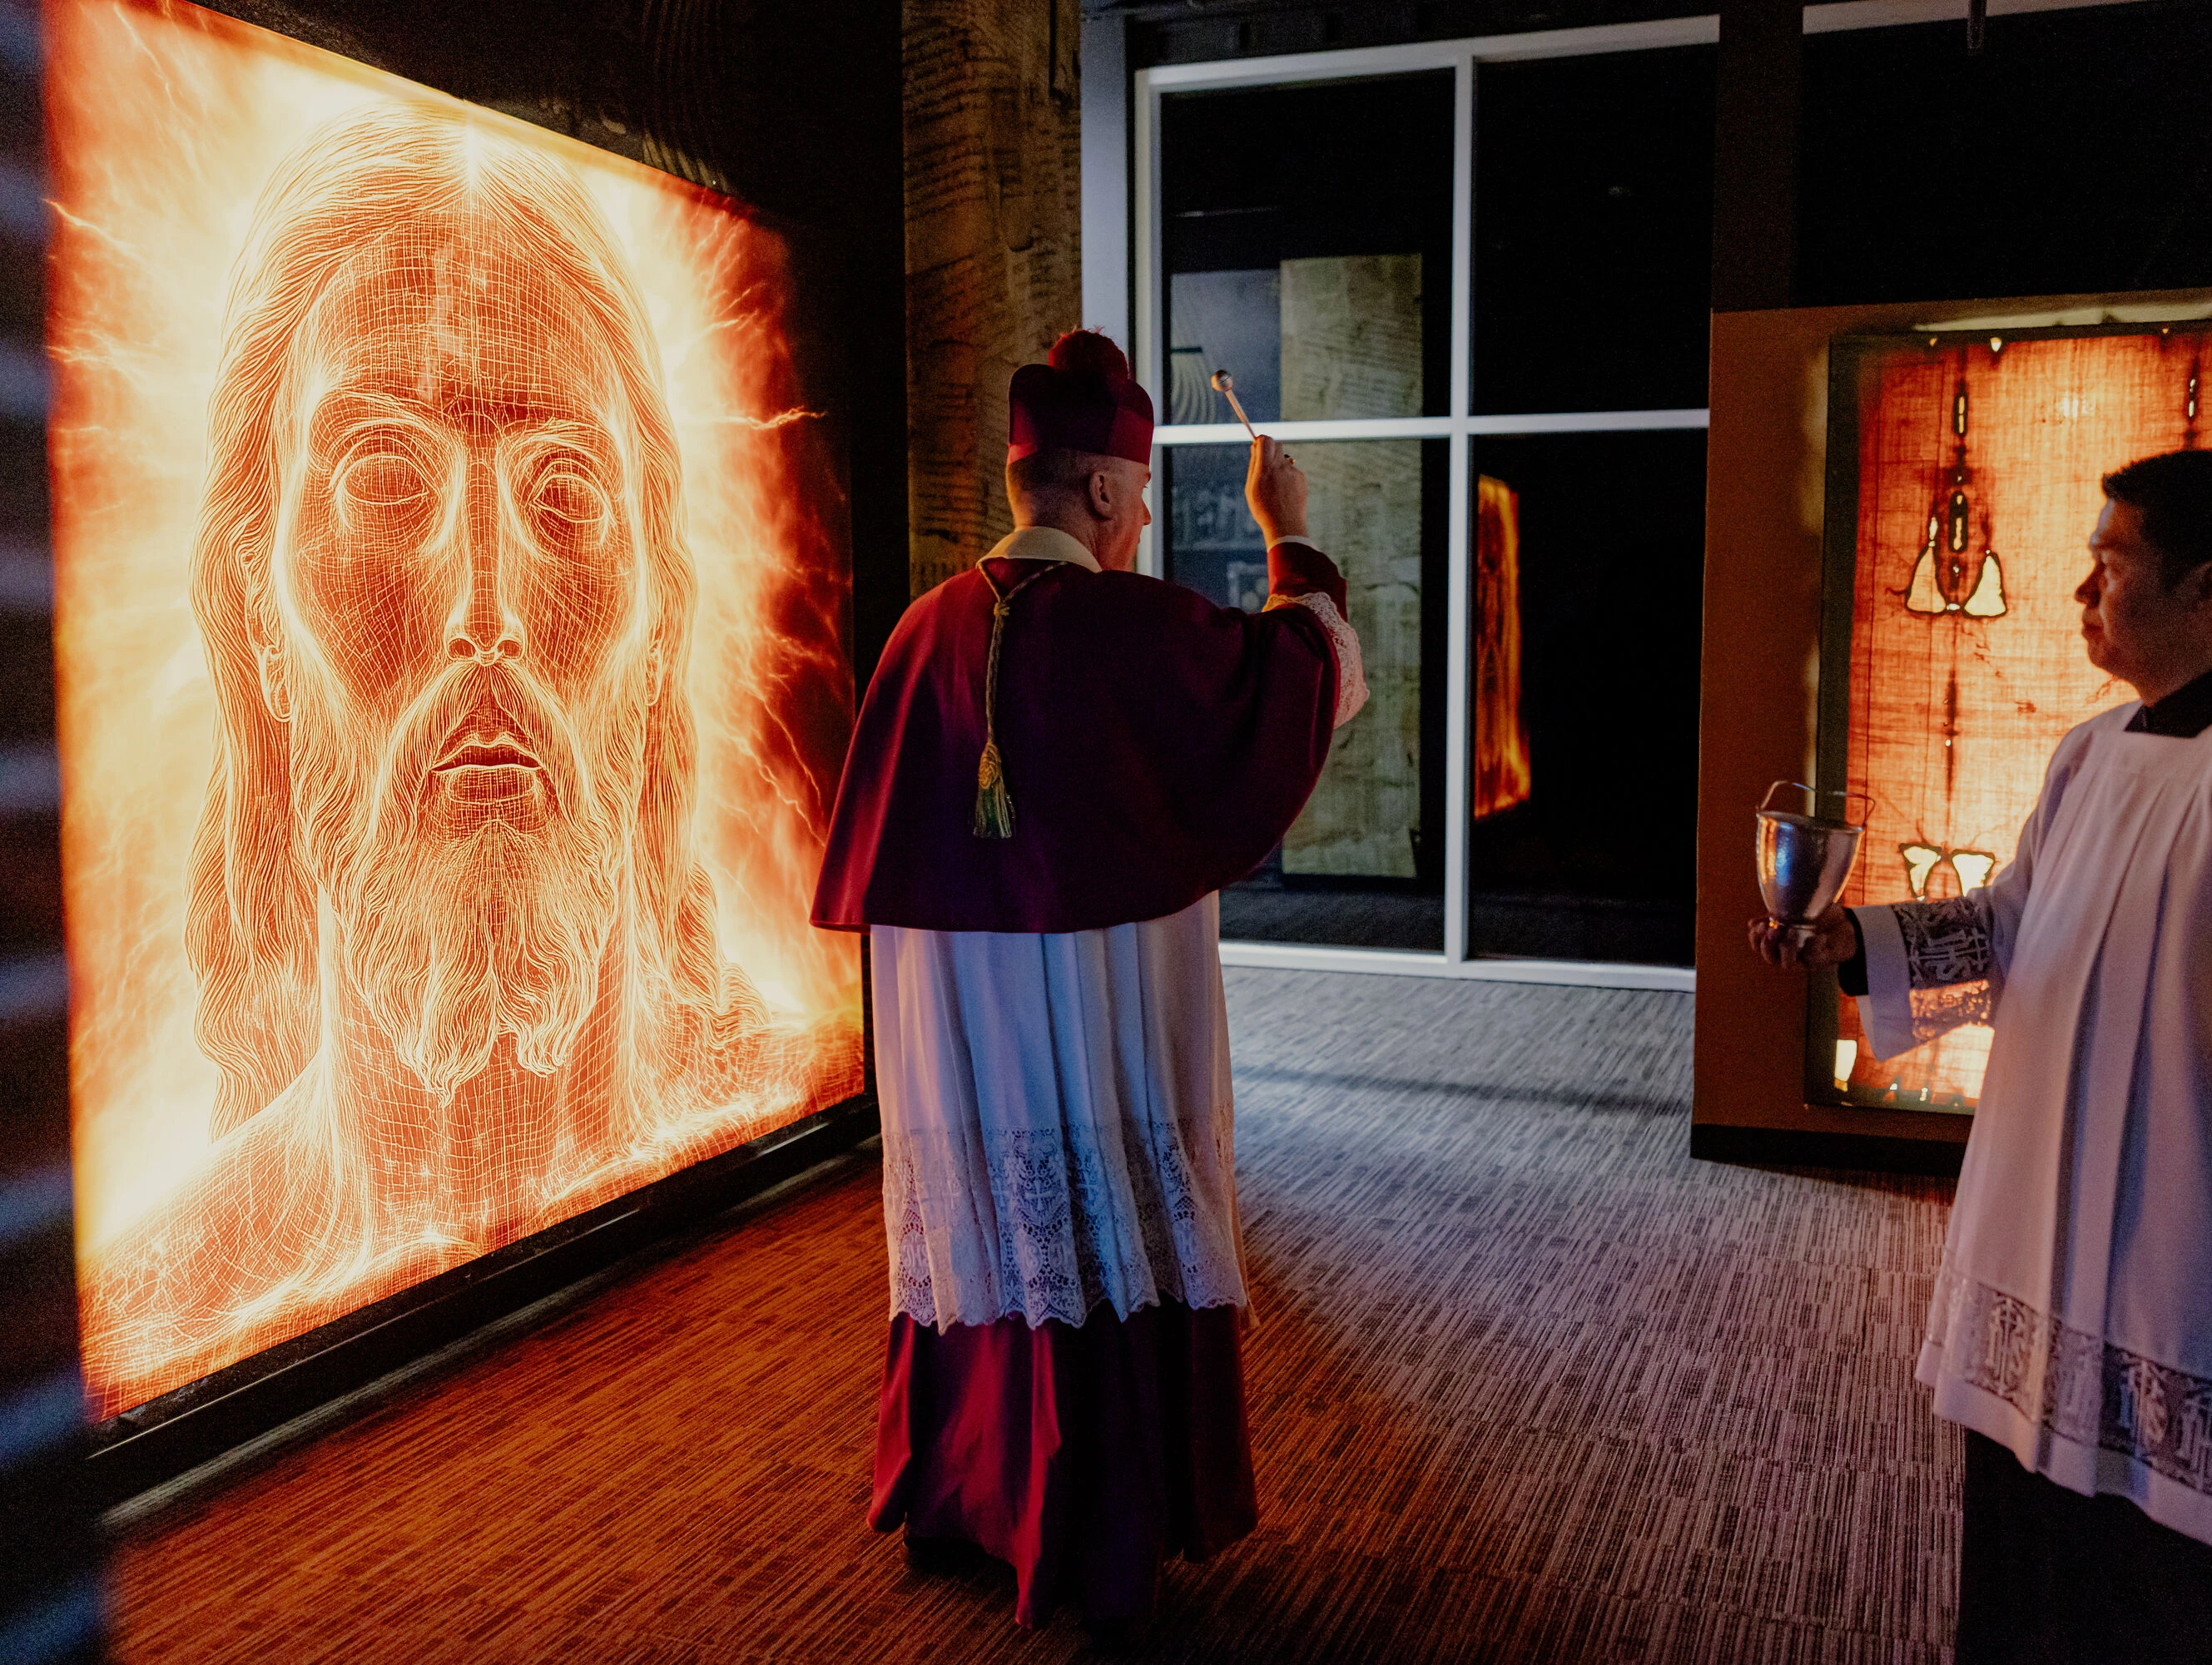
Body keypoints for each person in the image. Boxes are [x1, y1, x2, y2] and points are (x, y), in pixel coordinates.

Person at [81, 105, 848, 1415]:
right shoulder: (145, 1315)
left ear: (660, 623)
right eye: (386, 479)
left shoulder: (815, 1083)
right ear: (258, 617)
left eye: (563, 493)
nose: (483, 607)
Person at [1753, 448, 2212, 1663]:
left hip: (2197, 1251)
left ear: (2208, 586)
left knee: (2195, 1602)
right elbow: (2018, 926)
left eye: (2110, 566)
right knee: (2037, 1565)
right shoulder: (2089, 752)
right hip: (2047, 1248)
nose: (2083, 591)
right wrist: (1852, 939)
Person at [811, 329, 1366, 1638]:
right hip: (1089, 1005)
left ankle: (968, 1490)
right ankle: (1096, 1513)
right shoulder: (1139, 628)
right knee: (1101, 1206)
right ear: (1109, 492)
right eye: (1140, 500)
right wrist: (1289, 538)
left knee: (992, 1222)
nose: (1138, 521)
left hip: (957, 1023)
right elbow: (1305, 683)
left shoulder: (920, 631)